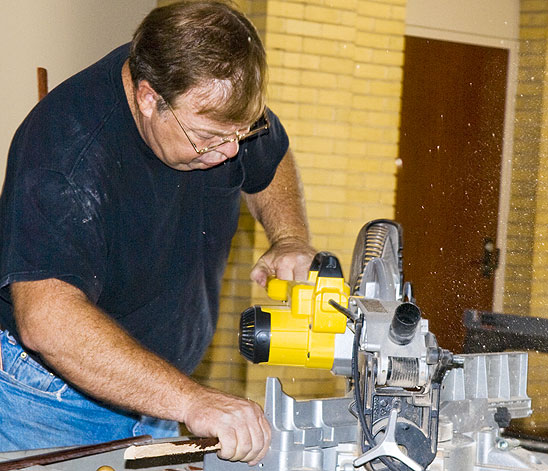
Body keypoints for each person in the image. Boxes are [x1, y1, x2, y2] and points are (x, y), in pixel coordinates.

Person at [0, 1, 315, 465]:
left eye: (241, 134)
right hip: (52, 403)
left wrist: (288, 237)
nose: (228, 152)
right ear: (149, 98)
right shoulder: (66, 153)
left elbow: (271, 156)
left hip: (158, 394)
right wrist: (192, 401)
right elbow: (46, 320)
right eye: (207, 139)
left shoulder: (212, 112)